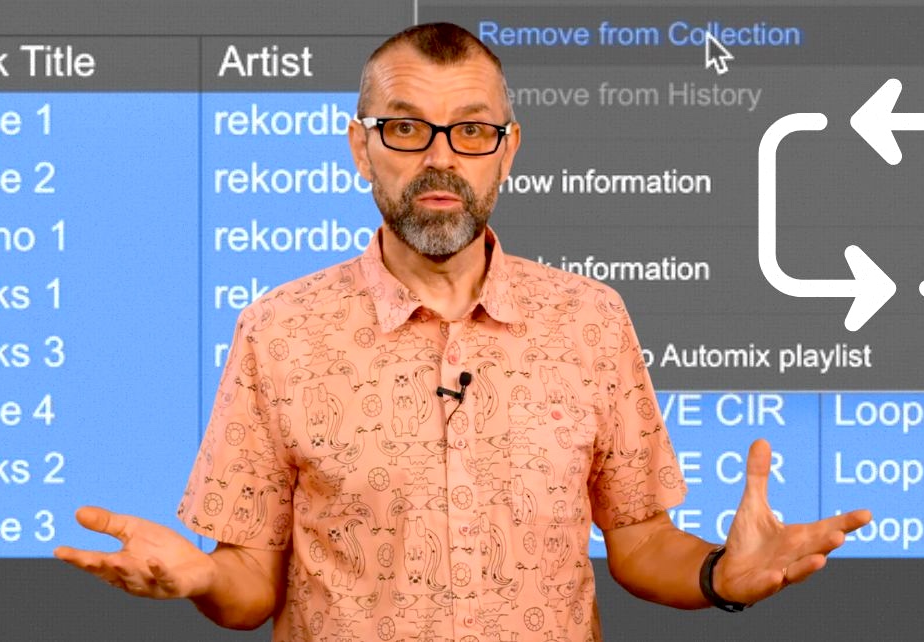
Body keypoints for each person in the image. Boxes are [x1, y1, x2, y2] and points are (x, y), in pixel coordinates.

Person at [55, 22, 871, 642]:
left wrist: (720, 574)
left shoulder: (590, 320)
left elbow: (639, 543)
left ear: (506, 151)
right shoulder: (279, 330)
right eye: (405, 129)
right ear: (359, 149)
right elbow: (252, 585)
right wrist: (200, 573)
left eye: (472, 131)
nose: (440, 158)